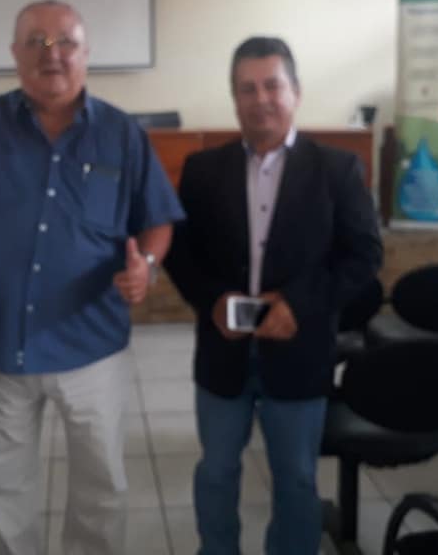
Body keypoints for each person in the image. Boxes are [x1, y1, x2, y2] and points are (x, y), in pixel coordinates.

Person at [0, 0, 185, 555]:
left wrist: (147, 266)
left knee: (100, 488)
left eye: (66, 42)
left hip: (92, 345)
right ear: (14, 54)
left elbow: (157, 220)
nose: (51, 54)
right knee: (4, 490)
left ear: (87, 54)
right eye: (35, 41)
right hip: (1, 344)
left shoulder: (122, 133)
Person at [164, 37, 382, 555]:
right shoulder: (202, 170)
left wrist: (298, 306)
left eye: (272, 86)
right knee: (216, 471)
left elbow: (364, 255)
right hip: (223, 352)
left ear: (295, 93)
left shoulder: (337, 169)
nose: (260, 99)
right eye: (247, 88)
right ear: (234, 98)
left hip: (299, 352)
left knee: (297, 479)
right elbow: (181, 252)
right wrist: (211, 300)